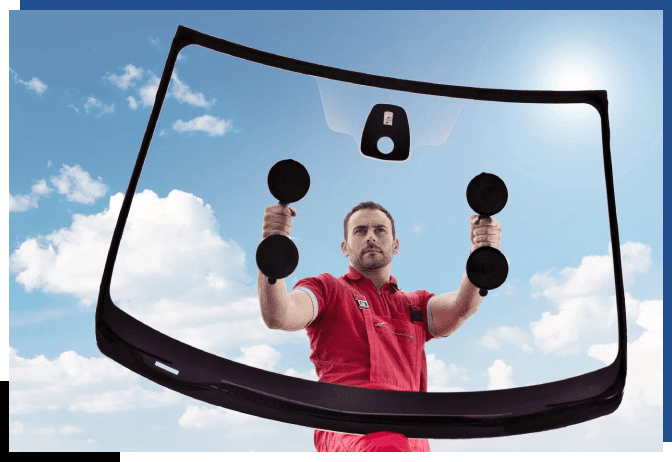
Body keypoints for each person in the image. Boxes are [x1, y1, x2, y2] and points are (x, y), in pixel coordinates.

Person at [257, 201, 502, 452]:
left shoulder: (415, 304)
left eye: (380, 230)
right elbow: (280, 314)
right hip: (350, 429)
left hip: (413, 438)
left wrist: (483, 253)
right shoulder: (326, 289)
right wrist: (273, 249)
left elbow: (463, 306)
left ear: (396, 246)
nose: (371, 237)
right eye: (360, 231)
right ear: (345, 247)